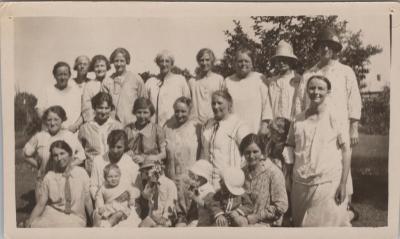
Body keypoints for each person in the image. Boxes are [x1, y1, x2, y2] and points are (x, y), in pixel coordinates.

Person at [293, 28, 362, 220]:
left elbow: (354, 99)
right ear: (317, 49)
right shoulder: (309, 73)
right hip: (313, 125)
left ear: (334, 49)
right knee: (314, 162)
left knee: (340, 163)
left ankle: (343, 206)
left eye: (329, 46)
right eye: (321, 45)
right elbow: (299, 102)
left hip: (338, 126)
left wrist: (354, 126)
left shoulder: (345, 72)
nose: (325, 49)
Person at [286, 75, 352, 227]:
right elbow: (289, 146)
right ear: (307, 90)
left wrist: (343, 184)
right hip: (300, 182)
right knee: (300, 226)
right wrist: (288, 174)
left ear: (328, 91)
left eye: (320, 88)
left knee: (327, 227)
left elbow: (346, 151)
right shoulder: (297, 119)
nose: (316, 92)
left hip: (327, 182)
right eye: (312, 88)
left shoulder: (335, 117)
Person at [24, 140, 93, 228]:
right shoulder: (49, 177)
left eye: (62, 153)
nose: (59, 158)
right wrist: (29, 222)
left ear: (70, 154)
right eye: (55, 155)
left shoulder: (81, 173)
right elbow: (41, 203)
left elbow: (87, 200)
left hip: (74, 217)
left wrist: (94, 222)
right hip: (51, 215)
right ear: (52, 158)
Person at [23, 106, 85, 202]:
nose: (52, 123)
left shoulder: (69, 136)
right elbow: (26, 154)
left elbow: (81, 155)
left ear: (62, 120)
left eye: (56, 119)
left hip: (65, 181)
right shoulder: (40, 136)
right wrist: (38, 165)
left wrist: (70, 166)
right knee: (42, 211)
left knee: (64, 212)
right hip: (43, 180)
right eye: (49, 120)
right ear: (45, 121)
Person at [200, 90, 250, 189]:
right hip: (210, 184)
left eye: (219, 103)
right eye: (213, 103)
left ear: (229, 105)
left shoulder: (238, 125)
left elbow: (248, 154)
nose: (215, 106)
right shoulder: (207, 126)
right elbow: (204, 154)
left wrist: (238, 177)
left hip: (230, 184)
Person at [163, 97, 201, 222]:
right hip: (172, 173)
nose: (179, 115)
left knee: (192, 212)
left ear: (190, 111)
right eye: (177, 111)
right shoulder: (168, 127)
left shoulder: (197, 127)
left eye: (183, 111)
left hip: (191, 174)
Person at [239, 133, 288, 226]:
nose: (251, 156)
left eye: (255, 152)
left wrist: (257, 217)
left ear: (262, 151)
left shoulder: (273, 172)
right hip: (243, 223)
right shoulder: (242, 172)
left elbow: (281, 206)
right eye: (247, 152)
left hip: (266, 225)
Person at [223, 48, 272, 134]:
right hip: (233, 130)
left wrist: (264, 125)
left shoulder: (260, 78)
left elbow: (267, 104)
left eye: (246, 61)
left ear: (252, 63)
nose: (243, 64)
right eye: (240, 61)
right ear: (234, 63)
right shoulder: (228, 81)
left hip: (255, 130)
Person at [78, 92, 122, 175]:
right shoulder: (85, 128)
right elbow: (80, 152)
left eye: (107, 108)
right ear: (94, 108)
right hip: (93, 172)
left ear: (111, 109)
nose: (103, 111)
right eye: (100, 108)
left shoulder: (117, 126)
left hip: (114, 172)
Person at [90, 130, 140, 201]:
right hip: (105, 203)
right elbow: (93, 186)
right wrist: (100, 197)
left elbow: (138, 189)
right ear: (108, 145)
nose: (115, 151)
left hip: (126, 204)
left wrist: (128, 194)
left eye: (119, 147)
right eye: (112, 147)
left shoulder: (131, 163)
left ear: (125, 146)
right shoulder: (98, 161)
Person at [145, 50, 191, 127]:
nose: (164, 64)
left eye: (167, 61)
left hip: (174, 126)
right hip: (153, 127)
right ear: (158, 63)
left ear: (172, 64)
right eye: (161, 61)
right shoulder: (150, 82)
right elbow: (144, 105)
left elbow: (188, 104)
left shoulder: (180, 80)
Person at [102, 48, 146, 126]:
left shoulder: (136, 78)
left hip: (133, 123)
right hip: (113, 124)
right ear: (113, 62)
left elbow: (144, 102)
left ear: (127, 61)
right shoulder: (107, 81)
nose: (119, 64)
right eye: (116, 61)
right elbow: (104, 105)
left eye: (122, 61)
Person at [38, 62, 82, 130]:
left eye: (65, 74)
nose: (63, 77)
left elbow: (83, 113)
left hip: (72, 132)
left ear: (69, 75)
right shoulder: (47, 90)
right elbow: (39, 110)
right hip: (50, 131)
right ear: (54, 75)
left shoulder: (77, 91)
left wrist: (75, 126)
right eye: (59, 74)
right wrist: (52, 125)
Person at [267, 40, 302, 121]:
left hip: (292, 123)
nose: (282, 63)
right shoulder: (272, 82)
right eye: (279, 60)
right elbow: (269, 105)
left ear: (291, 61)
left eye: (285, 59)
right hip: (275, 125)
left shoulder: (298, 80)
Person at [124, 97, 166, 165]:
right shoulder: (127, 130)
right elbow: (122, 149)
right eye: (139, 112)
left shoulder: (157, 130)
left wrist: (146, 159)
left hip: (152, 167)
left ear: (151, 113)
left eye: (145, 112)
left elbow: (164, 154)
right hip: (131, 166)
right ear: (134, 112)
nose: (142, 116)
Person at [137, 159, 178, 227]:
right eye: (146, 173)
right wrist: (150, 185)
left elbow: (171, 201)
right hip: (153, 217)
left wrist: (165, 217)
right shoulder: (150, 185)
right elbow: (146, 197)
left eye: (149, 171)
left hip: (166, 219)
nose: (148, 175)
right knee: (141, 227)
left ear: (158, 169)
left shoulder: (169, 184)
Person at [175, 160, 216, 227]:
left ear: (203, 178)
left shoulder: (209, 191)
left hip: (205, 220)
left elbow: (206, 205)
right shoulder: (197, 186)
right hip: (195, 217)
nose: (193, 179)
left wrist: (194, 197)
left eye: (196, 177)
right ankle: (182, 216)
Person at [189, 48, 224, 124]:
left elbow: (223, 102)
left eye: (207, 60)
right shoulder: (192, 81)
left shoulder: (219, 79)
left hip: (214, 121)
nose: (204, 63)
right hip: (195, 123)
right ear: (198, 62)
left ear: (212, 61)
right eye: (202, 60)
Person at [81, 55, 111, 123]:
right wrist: (92, 122)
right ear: (93, 68)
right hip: (94, 121)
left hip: (110, 122)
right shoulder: (89, 85)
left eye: (102, 66)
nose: (100, 69)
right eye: (97, 66)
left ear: (107, 67)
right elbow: (86, 107)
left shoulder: (112, 83)